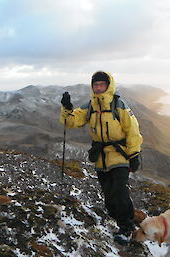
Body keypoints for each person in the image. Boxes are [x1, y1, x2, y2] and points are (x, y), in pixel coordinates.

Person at [60, 71, 143, 245]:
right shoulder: (90, 105)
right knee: (108, 193)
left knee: (120, 191)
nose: (98, 88)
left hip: (119, 154)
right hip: (101, 157)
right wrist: (67, 108)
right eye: (95, 85)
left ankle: (127, 227)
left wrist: (134, 154)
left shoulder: (119, 105)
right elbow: (71, 122)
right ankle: (116, 217)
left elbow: (132, 130)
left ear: (108, 85)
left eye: (101, 85)